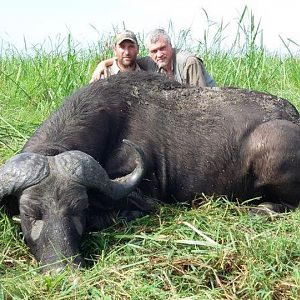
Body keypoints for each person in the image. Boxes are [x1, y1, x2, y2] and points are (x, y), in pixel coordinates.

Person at [91, 28, 216, 87]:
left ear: (171, 46)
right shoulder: (150, 62)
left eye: (162, 48)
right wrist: (102, 64)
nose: (159, 54)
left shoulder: (189, 62)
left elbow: (202, 99)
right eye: (154, 51)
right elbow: (127, 59)